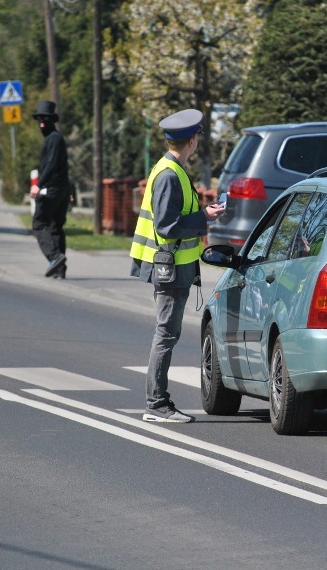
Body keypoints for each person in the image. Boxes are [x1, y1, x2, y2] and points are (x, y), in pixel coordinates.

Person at [130, 109, 225, 423]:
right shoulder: (170, 174)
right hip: (169, 267)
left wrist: (202, 214)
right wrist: (204, 219)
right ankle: (156, 404)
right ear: (193, 140)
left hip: (172, 266)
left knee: (166, 333)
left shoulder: (170, 168)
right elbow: (168, 226)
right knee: (166, 334)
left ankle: (157, 402)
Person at [30, 100, 73, 279]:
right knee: (55, 227)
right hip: (61, 190)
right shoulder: (55, 139)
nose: (42, 123)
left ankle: (54, 258)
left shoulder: (54, 139)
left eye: (45, 119)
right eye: (39, 119)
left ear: (52, 120)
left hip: (51, 190)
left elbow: (51, 165)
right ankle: (60, 270)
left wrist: (38, 185)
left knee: (39, 223)